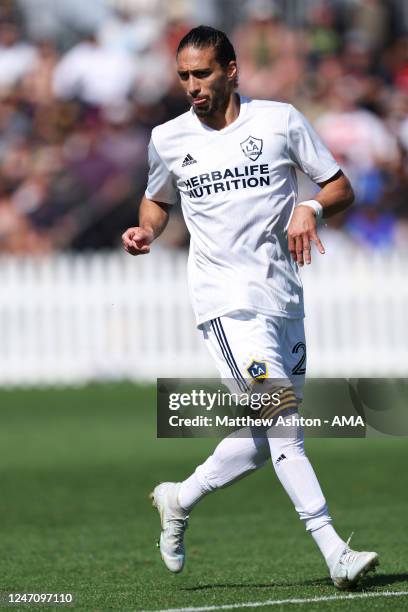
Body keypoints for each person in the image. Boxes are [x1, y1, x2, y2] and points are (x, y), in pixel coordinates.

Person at [122, 26, 379, 590]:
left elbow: (340, 187)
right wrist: (145, 229)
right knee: (285, 424)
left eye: (203, 73)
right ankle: (334, 550)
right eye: (184, 75)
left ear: (232, 70)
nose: (192, 85)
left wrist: (310, 205)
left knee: (266, 439)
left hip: (283, 298)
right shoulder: (168, 138)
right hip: (225, 304)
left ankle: (179, 498)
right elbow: (157, 199)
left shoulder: (280, 121)